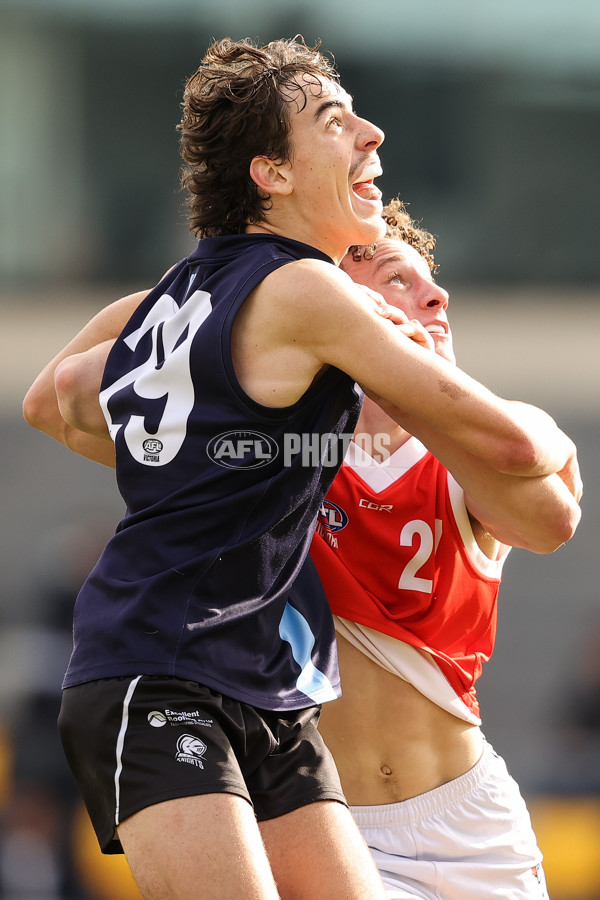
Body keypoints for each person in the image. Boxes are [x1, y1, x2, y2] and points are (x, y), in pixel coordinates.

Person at [22, 36, 581, 900]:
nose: (371, 132)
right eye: (334, 119)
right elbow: (58, 393)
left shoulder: (291, 398)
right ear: (272, 174)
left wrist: (201, 306)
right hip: (166, 668)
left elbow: (547, 515)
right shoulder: (303, 313)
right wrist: (547, 432)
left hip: (299, 718)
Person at [308, 199, 582, 899]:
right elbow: (73, 401)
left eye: (430, 282)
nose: (436, 295)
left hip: (467, 821)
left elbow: (551, 525)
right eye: (398, 279)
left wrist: (536, 432)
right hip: (321, 824)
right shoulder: (280, 450)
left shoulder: (479, 447)